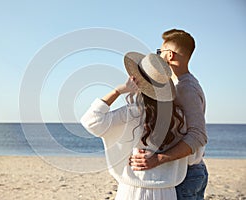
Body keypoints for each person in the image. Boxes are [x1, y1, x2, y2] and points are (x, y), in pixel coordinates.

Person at [81, 53, 204, 200]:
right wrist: (162, 159)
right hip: (167, 193)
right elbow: (194, 154)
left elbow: (91, 120)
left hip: (132, 192)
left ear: (138, 82)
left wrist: (118, 91)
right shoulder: (179, 117)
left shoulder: (132, 113)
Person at [129, 29, 208, 200]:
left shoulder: (187, 88)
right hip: (186, 172)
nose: (158, 57)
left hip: (188, 174)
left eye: (160, 52)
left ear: (170, 55)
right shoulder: (178, 84)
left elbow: (198, 136)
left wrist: (158, 159)